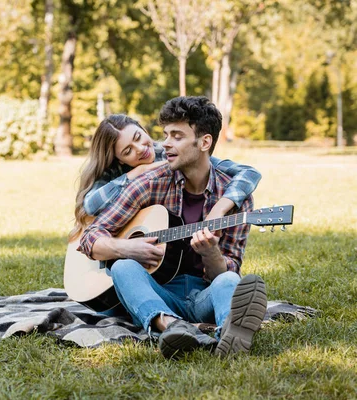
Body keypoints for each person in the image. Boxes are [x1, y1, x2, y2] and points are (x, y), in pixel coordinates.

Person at [78, 96, 267, 359]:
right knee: (123, 267)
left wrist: (211, 253)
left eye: (176, 136)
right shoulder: (150, 181)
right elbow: (90, 237)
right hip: (160, 292)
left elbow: (228, 266)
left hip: (204, 295)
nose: (164, 143)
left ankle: (229, 333)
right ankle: (171, 327)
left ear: (204, 142)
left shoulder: (233, 196)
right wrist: (126, 247)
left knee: (230, 280)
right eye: (165, 134)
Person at [70, 115, 261, 241]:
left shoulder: (171, 152)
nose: (141, 149)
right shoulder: (115, 173)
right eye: (128, 151)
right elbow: (90, 205)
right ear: (118, 160)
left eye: (138, 137)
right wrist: (136, 173)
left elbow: (249, 173)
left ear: (143, 129)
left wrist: (219, 210)